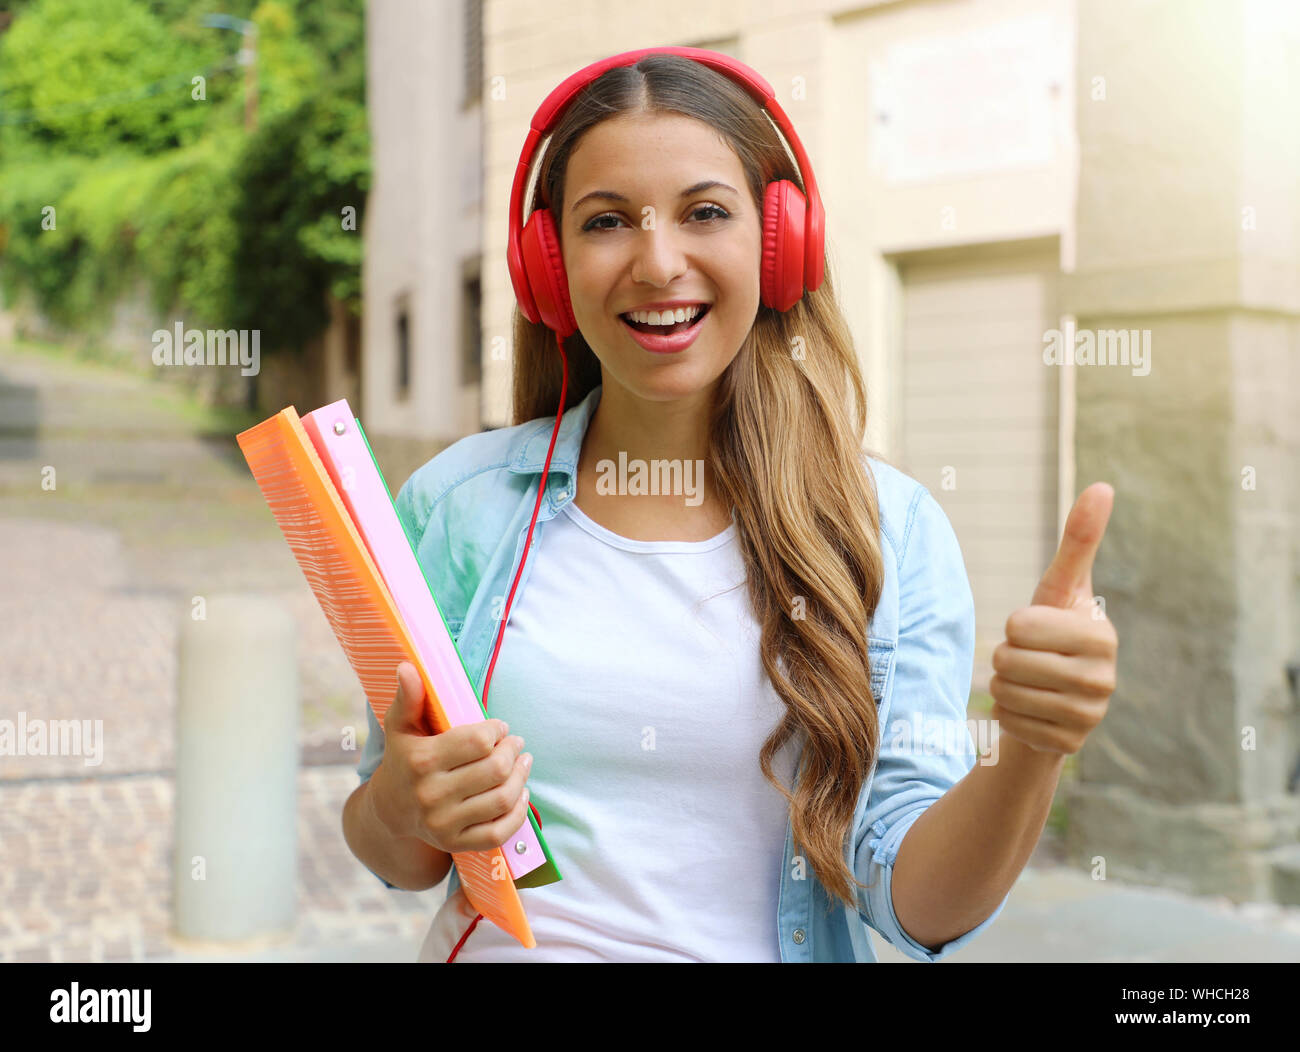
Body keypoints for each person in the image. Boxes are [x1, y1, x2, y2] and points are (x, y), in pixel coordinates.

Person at [341, 49, 1119, 963]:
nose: (658, 261)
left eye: (705, 212)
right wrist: (402, 799)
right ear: (549, 267)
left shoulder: (890, 534)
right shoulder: (456, 506)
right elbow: (398, 852)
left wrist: (1030, 748)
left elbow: (918, 906)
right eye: (606, 223)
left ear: (779, 241)